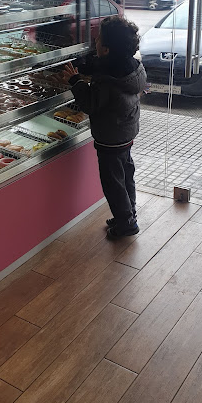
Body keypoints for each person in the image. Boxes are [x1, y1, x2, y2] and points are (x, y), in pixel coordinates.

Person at [65, 16, 147, 240]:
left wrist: (76, 82)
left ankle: (126, 224)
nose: (95, 41)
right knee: (126, 176)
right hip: (126, 131)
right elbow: (102, 66)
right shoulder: (132, 67)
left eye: (99, 38)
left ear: (107, 49)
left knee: (113, 184)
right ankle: (128, 215)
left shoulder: (105, 78)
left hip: (110, 137)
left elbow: (90, 104)